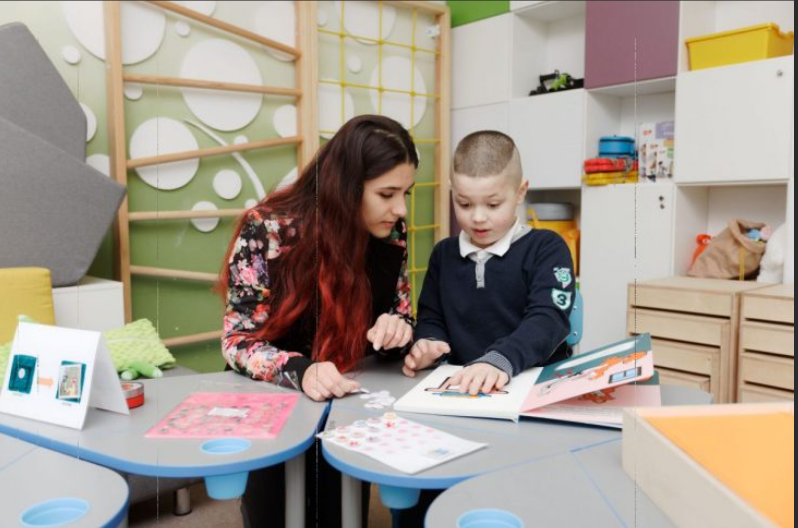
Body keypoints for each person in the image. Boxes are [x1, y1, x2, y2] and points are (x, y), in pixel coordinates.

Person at [220, 114, 418, 528]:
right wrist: (301, 369)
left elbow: (401, 312)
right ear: (346, 186)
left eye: (406, 193)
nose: (400, 209)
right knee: (273, 514)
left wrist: (398, 330)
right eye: (386, 194)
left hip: (345, 397)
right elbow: (237, 341)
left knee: (341, 512)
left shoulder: (391, 232)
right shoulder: (267, 229)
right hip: (273, 398)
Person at [405, 130, 575, 395]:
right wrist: (429, 343)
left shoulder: (547, 248)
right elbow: (431, 316)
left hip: (535, 384)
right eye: (464, 204)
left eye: (493, 204)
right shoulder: (444, 254)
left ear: (520, 192)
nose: (478, 217)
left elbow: (548, 320)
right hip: (465, 386)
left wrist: (498, 360)